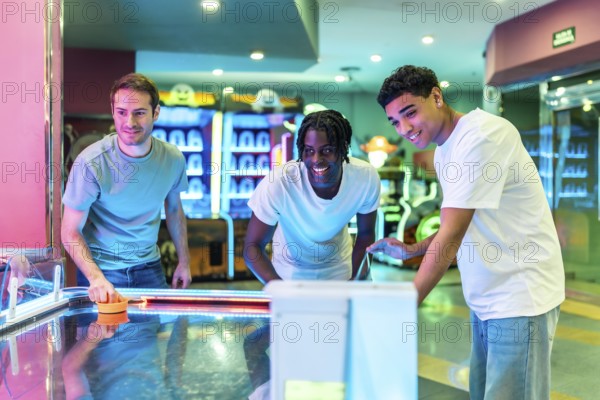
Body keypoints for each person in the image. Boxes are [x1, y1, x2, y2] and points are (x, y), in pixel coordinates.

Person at [369, 65, 565, 399]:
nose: (404, 128)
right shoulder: (446, 150)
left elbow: (452, 236)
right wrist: (412, 250)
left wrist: (405, 303)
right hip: (488, 296)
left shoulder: (483, 135)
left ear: (436, 96)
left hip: (521, 295)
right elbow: (457, 224)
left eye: (410, 113)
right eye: (395, 122)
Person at [62, 73, 191, 304]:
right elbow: (69, 232)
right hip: (103, 270)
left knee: (152, 339)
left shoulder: (173, 159)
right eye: (121, 112)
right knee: (103, 339)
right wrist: (96, 278)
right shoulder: (91, 162)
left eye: (139, 113)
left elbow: (174, 210)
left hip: (150, 267)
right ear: (113, 112)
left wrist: (184, 261)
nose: (129, 122)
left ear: (156, 113)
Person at [244, 109, 381, 282]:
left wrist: (356, 280)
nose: (316, 159)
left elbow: (366, 235)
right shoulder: (279, 182)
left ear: (343, 148)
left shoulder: (364, 177)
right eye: (309, 150)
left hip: (341, 268)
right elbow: (252, 247)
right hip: (289, 273)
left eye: (327, 150)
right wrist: (278, 287)